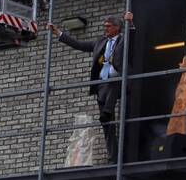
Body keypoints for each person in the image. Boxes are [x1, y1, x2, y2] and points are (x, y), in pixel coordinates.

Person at [50, 11, 135, 163]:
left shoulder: (123, 40)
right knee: (107, 124)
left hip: (116, 80)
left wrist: (130, 23)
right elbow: (80, 45)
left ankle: (108, 111)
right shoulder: (100, 42)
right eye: (105, 26)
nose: (106, 29)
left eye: (109, 26)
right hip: (101, 84)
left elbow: (132, 38)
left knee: (114, 81)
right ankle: (113, 157)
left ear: (117, 27)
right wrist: (59, 33)